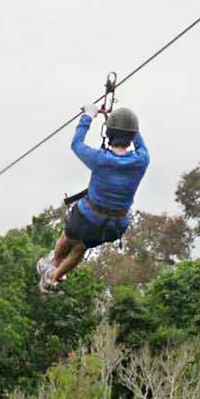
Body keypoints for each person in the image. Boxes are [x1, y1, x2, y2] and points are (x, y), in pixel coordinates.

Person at [37, 104, 149, 293]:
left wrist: (88, 116)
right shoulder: (142, 160)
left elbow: (76, 144)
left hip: (88, 216)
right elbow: (136, 138)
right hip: (115, 226)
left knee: (68, 237)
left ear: (109, 133)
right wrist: (122, 122)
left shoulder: (100, 159)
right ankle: (52, 280)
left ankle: (54, 263)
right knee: (81, 248)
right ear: (130, 137)